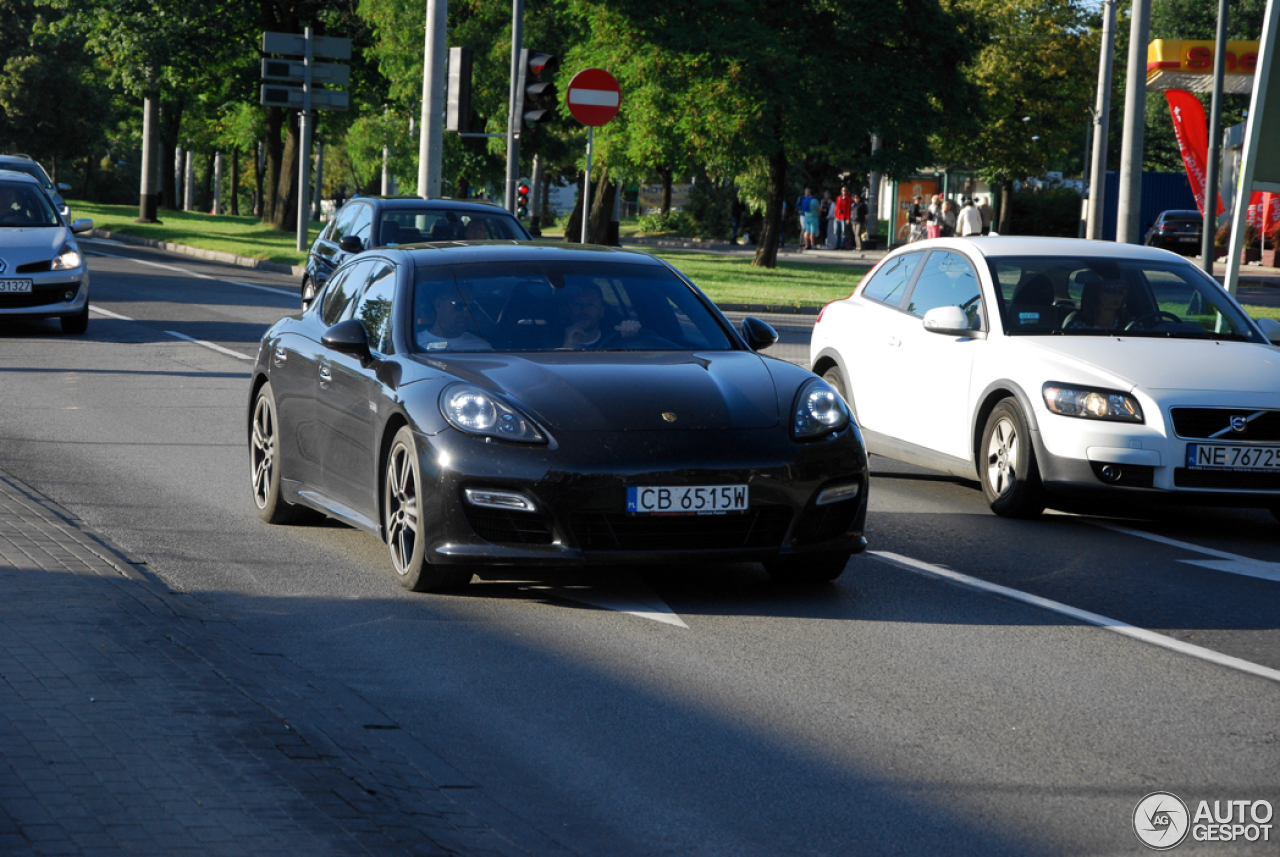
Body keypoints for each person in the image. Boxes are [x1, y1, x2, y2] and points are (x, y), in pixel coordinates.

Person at [561, 284, 640, 349]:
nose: (584, 310)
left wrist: (632, 337)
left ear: (601, 311)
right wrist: (567, 347)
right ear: (570, 310)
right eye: (577, 304)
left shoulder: (617, 340)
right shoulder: (552, 342)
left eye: (590, 305)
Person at [416, 283, 492, 351]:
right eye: (460, 305)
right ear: (439, 304)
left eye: (471, 307)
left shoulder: (481, 347)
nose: (466, 313)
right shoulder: (414, 344)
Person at [1065, 278, 1131, 331]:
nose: (1116, 295)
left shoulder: (1131, 325)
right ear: (1095, 293)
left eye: (1121, 291)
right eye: (1110, 289)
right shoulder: (1078, 327)